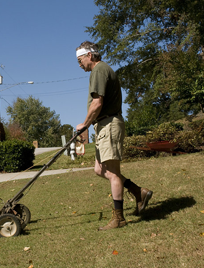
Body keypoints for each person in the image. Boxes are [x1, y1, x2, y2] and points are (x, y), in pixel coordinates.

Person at [75, 41, 153, 231]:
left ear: (89, 56)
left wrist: (84, 124)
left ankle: (119, 218)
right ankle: (138, 192)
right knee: (99, 169)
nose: (79, 64)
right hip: (104, 125)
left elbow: (97, 102)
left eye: (80, 60)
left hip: (109, 124)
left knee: (113, 173)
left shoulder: (99, 70)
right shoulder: (100, 70)